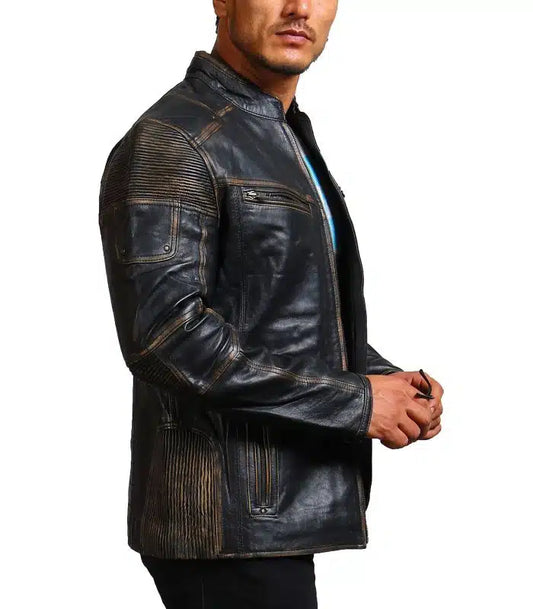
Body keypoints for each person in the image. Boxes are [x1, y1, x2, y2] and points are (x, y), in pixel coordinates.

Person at [98, 1, 444, 607]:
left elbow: (278, 314)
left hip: (266, 522)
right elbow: (167, 338)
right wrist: (357, 401)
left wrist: (384, 379)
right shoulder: (174, 140)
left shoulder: (278, 131)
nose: (298, 8)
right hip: (223, 526)